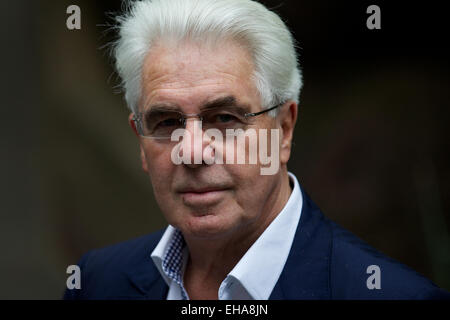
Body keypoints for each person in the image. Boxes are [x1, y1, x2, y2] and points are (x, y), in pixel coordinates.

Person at [64, 0, 449, 300]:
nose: (193, 150)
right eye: (166, 123)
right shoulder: (97, 283)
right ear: (140, 143)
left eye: (226, 118)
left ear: (283, 130)